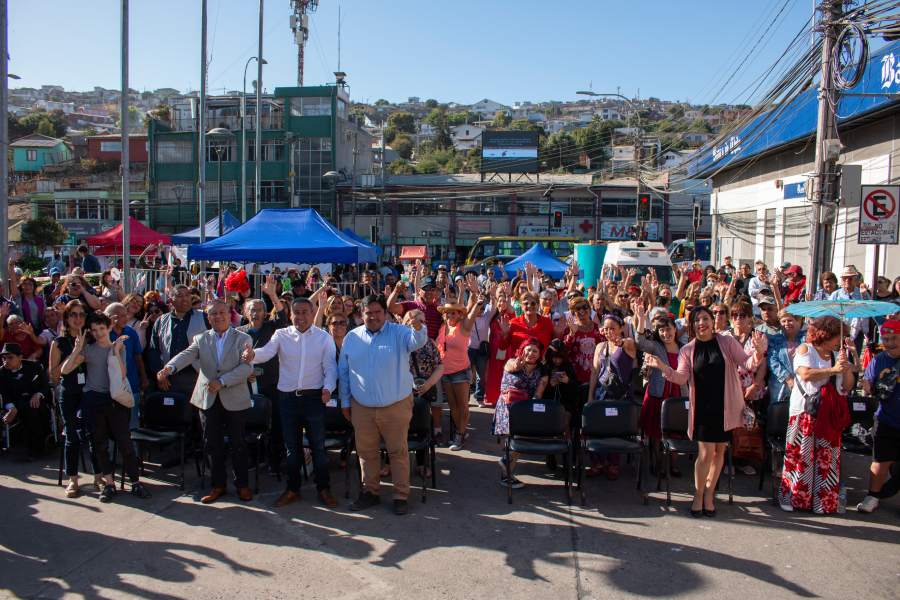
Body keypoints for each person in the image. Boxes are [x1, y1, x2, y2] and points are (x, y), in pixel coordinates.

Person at [645, 306, 767, 517]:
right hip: (702, 409)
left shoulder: (727, 342)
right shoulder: (687, 350)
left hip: (726, 407)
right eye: (697, 320)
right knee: (706, 453)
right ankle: (698, 494)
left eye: (705, 318)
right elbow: (681, 378)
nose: (701, 323)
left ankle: (709, 494)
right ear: (692, 325)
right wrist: (661, 366)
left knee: (719, 452)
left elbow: (747, 363)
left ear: (713, 321)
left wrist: (758, 351)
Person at [243, 297, 338, 509]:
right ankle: (292, 489)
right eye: (297, 313)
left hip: (314, 398)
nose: (301, 317)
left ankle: (324, 488)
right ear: (290, 314)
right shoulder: (281, 334)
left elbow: (330, 367)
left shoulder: (323, 338)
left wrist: (328, 388)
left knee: (318, 448)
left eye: (305, 312)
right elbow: (266, 353)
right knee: (291, 449)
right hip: (286, 399)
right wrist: (251, 355)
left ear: (313, 313)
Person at [338, 294, 427, 516]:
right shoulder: (352, 337)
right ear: (361, 314)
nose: (374, 316)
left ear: (385, 314)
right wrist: (345, 401)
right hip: (362, 407)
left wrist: (417, 326)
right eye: (369, 312)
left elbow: (418, 341)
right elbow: (344, 372)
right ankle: (370, 492)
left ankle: (400, 495)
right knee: (366, 452)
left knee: (397, 452)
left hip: (395, 406)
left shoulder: (400, 332)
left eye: (378, 312)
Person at [161, 300, 254, 504]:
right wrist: (169, 368)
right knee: (212, 444)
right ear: (208, 317)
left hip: (234, 398)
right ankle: (217, 485)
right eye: (213, 314)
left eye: (222, 312)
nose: (218, 317)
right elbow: (186, 355)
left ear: (229, 315)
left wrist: (222, 382)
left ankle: (242, 485)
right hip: (207, 399)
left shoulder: (243, 338)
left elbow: (247, 368)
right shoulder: (201, 338)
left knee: (238, 444)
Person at [61, 313, 151, 503]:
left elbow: (123, 372)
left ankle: (135, 482)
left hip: (115, 400)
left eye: (102, 329)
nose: (99, 333)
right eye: (94, 330)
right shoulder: (89, 349)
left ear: (109, 327)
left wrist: (116, 351)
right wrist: (77, 349)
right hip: (93, 400)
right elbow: (65, 370)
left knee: (125, 441)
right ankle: (109, 483)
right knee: (100, 444)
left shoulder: (118, 346)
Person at [779, 316, 854, 513]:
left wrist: (845, 369)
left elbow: (846, 387)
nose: (840, 340)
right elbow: (804, 374)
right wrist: (833, 369)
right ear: (826, 334)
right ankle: (792, 498)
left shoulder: (838, 354)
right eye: (838, 336)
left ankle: (822, 502)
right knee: (800, 457)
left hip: (827, 415)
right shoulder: (806, 349)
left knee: (826, 460)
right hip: (805, 411)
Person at [49, 301, 98, 496]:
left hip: (89, 392)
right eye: (73, 315)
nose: (77, 319)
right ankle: (73, 479)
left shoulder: (92, 339)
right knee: (72, 436)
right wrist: (74, 356)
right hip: (69, 393)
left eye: (81, 315)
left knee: (95, 434)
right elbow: (53, 375)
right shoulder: (59, 342)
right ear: (67, 318)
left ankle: (99, 476)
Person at [238, 293, 288, 475]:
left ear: (265, 313)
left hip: (271, 383)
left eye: (259, 310)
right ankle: (253, 457)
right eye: (252, 309)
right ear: (245, 312)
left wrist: (273, 294)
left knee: (275, 423)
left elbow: (283, 317)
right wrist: (244, 374)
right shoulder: (239, 332)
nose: (255, 313)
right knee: (249, 423)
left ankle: (274, 460)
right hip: (247, 385)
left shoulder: (272, 328)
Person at [586, 313, 637, 480]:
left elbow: (629, 343)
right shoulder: (600, 346)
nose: (609, 332)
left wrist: (620, 342)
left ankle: (613, 463)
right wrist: (590, 395)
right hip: (602, 392)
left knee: (615, 429)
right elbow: (595, 372)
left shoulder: (627, 344)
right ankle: (598, 462)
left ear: (621, 328)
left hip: (620, 394)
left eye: (613, 328)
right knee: (599, 428)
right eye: (606, 329)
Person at [634, 305, 684, 476]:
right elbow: (640, 343)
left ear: (675, 329)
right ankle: (658, 463)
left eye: (668, 329)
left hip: (678, 394)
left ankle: (674, 464)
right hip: (658, 394)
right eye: (661, 330)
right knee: (656, 433)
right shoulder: (656, 346)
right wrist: (641, 320)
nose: (665, 334)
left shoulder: (684, 348)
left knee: (677, 431)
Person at [492, 337, 548, 488]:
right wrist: (516, 365)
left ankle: (506, 471)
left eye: (535, 351)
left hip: (525, 409)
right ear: (522, 350)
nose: (531, 353)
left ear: (540, 354)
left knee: (520, 438)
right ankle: (507, 471)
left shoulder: (542, 371)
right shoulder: (512, 362)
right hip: (508, 408)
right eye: (528, 349)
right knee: (515, 439)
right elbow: (510, 367)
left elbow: (538, 393)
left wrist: (534, 405)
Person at [858, 319, 900, 513]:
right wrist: (868, 385)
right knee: (880, 460)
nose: (890, 342)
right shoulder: (879, 359)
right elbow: (867, 381)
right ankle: (873, 496)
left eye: (894, 338)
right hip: (885, 418)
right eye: (886, 338)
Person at [147, 284, 209, 396]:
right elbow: (154, 350)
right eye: (179, 295)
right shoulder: (161, 321)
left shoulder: (204, 317)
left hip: (197, 375)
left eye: (187, 295)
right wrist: (159, 374)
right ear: (171, 300)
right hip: (170, 379)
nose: (184, 298)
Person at [405, 310, 443, 477]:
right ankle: (390, 462)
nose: (419, 324)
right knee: (397, 428)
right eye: (414, 321)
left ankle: (421, 463)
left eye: (422, 321)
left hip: (424, 392)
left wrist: (428, 384)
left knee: (421, 427)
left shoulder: (430, 343)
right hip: (401, 392)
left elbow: (440, 366)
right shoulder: (400, 343)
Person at [437, 297, 478, 452]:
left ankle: (459, 435)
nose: (450, 316)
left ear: (459, 315)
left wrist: (477, 302)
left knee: (462, 406)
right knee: (453, 406)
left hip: (461, 372)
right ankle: (461, 432)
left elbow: (472, 315)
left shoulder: (463, 327)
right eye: (448, 313)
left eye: (454, 313)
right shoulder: (442, 328)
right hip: (445, 372)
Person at [0, 342, 51, 460]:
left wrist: (38, 394)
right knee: (28, 410)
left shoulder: (34, 367)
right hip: (15, 403)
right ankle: (31, 448)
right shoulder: (2, 372)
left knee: (33, 409)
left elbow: (45, 386)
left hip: (36, 401)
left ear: (20, 357)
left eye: (10, 357)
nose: (6, 361)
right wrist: (11, 408)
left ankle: (37, 449)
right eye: (4, 358)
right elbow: (4, 394)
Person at [105, 302, 148, 429]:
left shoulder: (131, 332)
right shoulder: (104, 334)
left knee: (132, 422)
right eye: (120, 316)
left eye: (125, 315)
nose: (124, 318)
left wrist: (143, 377)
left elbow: (138, 356)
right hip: (110, 385)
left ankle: (133, 447)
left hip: (131, 382)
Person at [483, 287, 516, 407]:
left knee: (503, 373)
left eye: (504, 301)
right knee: (493, 374)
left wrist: (508, 296)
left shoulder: (509, 315)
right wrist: (492, 295)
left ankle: (504, 398)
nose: (502, 303)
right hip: (493, 348)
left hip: (505, 348)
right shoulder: (494, 314)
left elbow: (512, 311)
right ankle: (492, 398)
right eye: (500, 301)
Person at [768, 310, 805, 405]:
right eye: (783, 321)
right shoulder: (774, 339)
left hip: (803, 385)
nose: (786, 324)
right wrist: (788, 379)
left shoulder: (806, 339)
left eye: (790, 320)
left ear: (798, 321)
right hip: (780, 388)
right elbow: (772, 361)